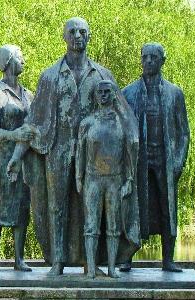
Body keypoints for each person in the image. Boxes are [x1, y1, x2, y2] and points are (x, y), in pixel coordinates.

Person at [8, 17, 138, 276]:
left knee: (89, 208)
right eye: (72, 32)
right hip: (58, 148)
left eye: (83, 32)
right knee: (57, 205)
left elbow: (125, 117)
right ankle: (58, 261)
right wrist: (16, 156)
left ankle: (91, 263)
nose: (78, 36)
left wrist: (130, 155)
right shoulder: (50, 76)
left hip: (94, 154)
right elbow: (33, 123)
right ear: (64, 37)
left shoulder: (103, 76)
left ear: (89, 37)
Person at [120, 42, 190, 272]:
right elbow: (121, 129)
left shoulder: (174, 93)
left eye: (153, 57)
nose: (149, 61)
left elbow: (183, 133)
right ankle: (127, 255)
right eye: (145, 57)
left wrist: (179, 161)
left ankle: (168, 260)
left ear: (162, 61)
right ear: (140, 60)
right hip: (138, 160)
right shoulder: (128, 93)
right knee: (134, 206)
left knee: (167, 207)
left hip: (165, 159)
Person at [76, 80, 140, 278]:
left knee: (113, 226)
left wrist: (129, 179)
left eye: (107, 92)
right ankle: (91, 268)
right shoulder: (87, 123)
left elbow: (130, 153)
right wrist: (79, 176)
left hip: (115, 180)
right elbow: (80, 152)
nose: (103, 95)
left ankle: (112, 268)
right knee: (91, 226)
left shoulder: (123, 122)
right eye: (99, 92)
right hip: (92, 180)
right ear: (95, 96)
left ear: (114, 95)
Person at [0, 44, 35, 272]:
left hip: (21, 158)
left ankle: (19, 259)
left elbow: (32, 126)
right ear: (9, 62)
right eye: (20, 58)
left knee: (21, 205)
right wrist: (13, 134)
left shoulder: (28, 95)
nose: (24, 61)